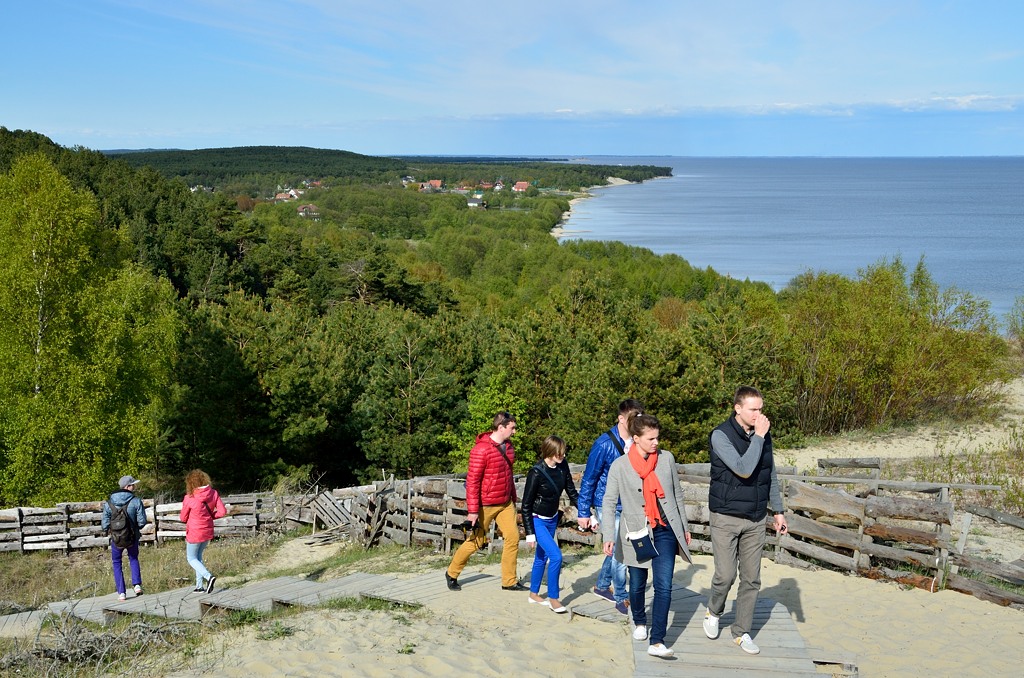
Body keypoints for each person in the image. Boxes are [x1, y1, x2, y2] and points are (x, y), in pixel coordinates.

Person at [703, 386, 788, 656]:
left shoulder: (764, 435)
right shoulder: (720, 435)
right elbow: (743, 468)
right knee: (725, 575)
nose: (758, 414)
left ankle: (741, 632)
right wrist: (759, 437)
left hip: (755, 517)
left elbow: (769, 474)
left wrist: (778, 510)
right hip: (725, 516)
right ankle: (713, 611)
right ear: (737, 408)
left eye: (761, 409)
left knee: (751, 579)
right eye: (753, 409)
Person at [602, 412, 692, 659]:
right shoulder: (620, 466)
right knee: (638, 582)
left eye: (657, 438)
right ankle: (640, 620)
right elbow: (609, 502)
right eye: (651, 438)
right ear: (636, 438)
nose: (656, 443)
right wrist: (608, 535)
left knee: (664, 586)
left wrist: (684, 526)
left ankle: (658, 641)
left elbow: (677, 494)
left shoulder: (667, 459)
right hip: (637, 533)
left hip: (665, 529)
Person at [577, 398, 644, 615]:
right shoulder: (603, 444)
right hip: (608, 503)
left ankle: (603, 585)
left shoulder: (638, 441)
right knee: (620, 551)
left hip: (630, 504)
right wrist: (584, 511)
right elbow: (589, 478)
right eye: (633, 419)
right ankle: (621, 597)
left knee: (617, 549)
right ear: (621, 418)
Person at [445, 412, 526, 592]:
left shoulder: (510, 448)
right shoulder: (480, 450)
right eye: (512, 428)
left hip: (505, 503)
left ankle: (509, 581)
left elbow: (508, 475)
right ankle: (452, 573)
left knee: (513, 537)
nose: (514, 432)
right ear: (501, 427)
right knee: (476, 541)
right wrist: (472, 511)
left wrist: (512, 498)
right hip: (485, 505)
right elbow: (472, 481)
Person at [521, 435, 579, 614]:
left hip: (553, 517)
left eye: (563, 453)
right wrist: (530, 533)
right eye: (558, 453)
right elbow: (526, 505)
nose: (562, 456)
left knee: (542, 556)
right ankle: (554, 598)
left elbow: (571, 490)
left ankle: (533, 594)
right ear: (550, 451)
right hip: (537, 519)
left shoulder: (562, 466)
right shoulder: (536, 472)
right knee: (556, 556)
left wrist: (585, 513)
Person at [180, 469, 227, 594]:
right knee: (198, 557)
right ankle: (199, 586)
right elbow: (222, 512)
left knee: (191, 558)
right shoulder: (213, 493)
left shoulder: (189, 498)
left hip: (195, 532)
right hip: (207, 531)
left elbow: (183, 518)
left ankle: (209, 577)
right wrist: (211, 516)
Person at [101, 475, 147, 601]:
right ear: (127, 487)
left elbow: (104, 525)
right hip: (132, 536)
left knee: (117, 562)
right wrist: (135, 528)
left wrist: (110, 529)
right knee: (133, 558)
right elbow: (142, 521)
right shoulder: (136, 501)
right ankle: (137, 585)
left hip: (116, 538)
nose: (135, 487)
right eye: (133, 485)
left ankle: (122, 593)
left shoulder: (109, 503)